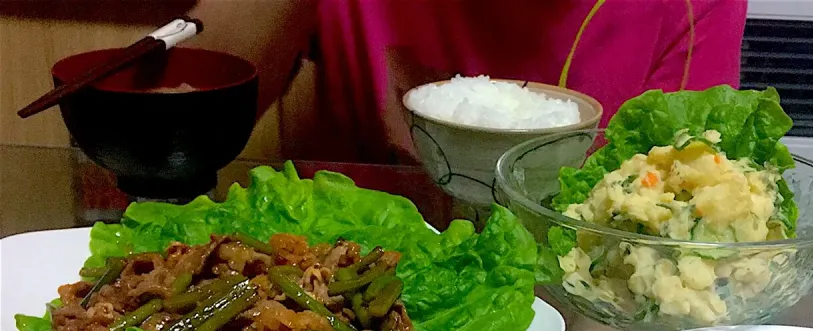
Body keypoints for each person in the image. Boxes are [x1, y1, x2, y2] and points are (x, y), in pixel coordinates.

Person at [192, 0, 747, 163]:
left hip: (575, 307)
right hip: (347, 291)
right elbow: (188, 119)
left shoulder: (691, 6)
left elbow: (682, 227)